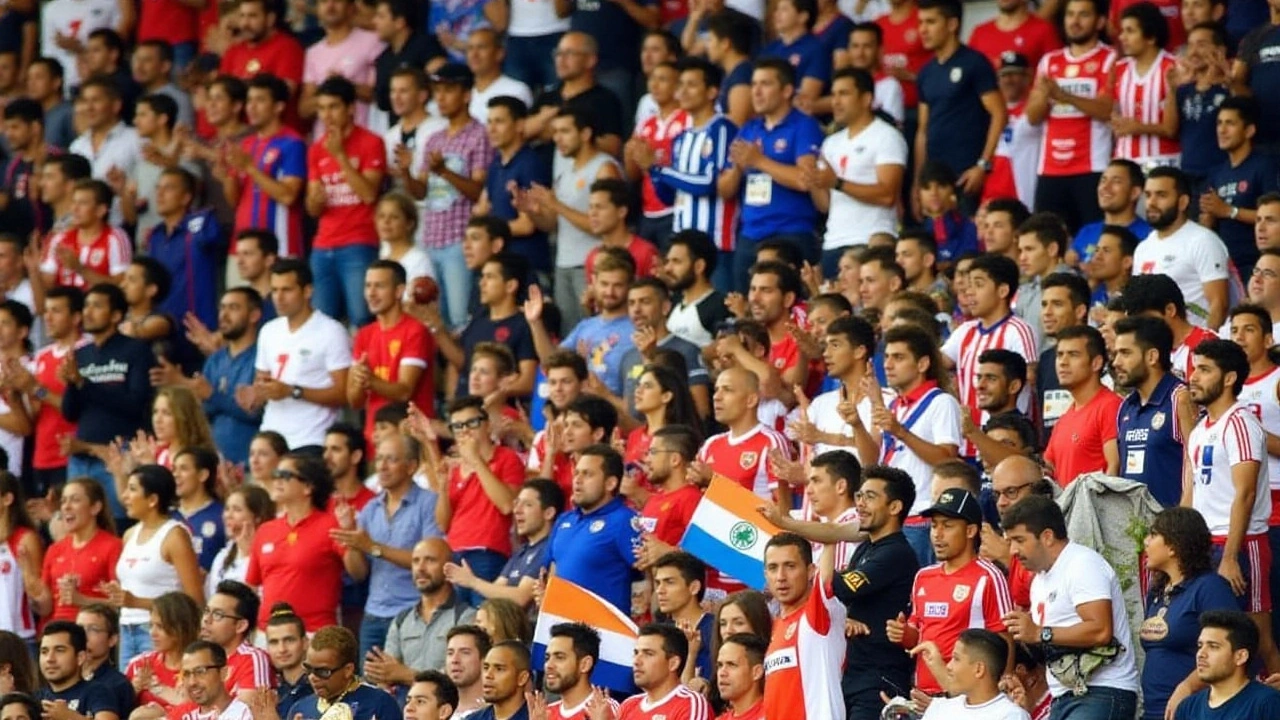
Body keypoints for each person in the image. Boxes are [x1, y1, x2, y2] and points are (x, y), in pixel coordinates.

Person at [1183, 339, 1280, 673]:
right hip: (1206, 544)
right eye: (1195, 368)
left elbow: (1246, 494)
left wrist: (1229, 557)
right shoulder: (1199, 430)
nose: (1194, 376)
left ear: (1228, 378)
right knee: (1213, 638)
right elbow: (1192, 493)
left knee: (1258, 637)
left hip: (1242, 545)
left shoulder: (1239, 422)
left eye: (1205, 369)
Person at [1002, 496, 1140, 719]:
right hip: (1064, 693)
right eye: (1010, 542)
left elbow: (1100, 630)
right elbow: (1052, 642)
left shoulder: (1082, 564)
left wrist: (1038, 632)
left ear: (1047, 536)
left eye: (1019, 540)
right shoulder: (1038, 581)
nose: (1013, 551)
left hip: (1102, 690)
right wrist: (1026, 637)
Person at [887, 489, 1012, 696]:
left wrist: (998, 694)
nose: (937, 533)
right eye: (934, 525)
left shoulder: (989, 576)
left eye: (947, 525)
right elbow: (918, 634)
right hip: (924, 694)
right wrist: (904, 634)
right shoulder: (923, 576)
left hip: (967, 698)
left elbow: (1004, 638)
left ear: (971, 530)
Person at [334, 433, 440, 661]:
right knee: (369, 692)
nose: (381, 466)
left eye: (391, 459)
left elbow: (433, 559)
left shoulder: (429, 503)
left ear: (411, 466)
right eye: (379, 459)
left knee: (409, 689)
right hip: (373, 614)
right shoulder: (371, 508)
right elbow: (358, 573)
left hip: (414, 611)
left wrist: (373, 547)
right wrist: (351, 541)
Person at [722, 58, 822, 290]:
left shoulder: (803, 125)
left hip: (791, 233)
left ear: (787, 90)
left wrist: (759, 161)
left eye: (765, 84)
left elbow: (804, 179)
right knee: (747, 312)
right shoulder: (749, 129)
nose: (755, 91)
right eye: (754, 84)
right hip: (750, 234)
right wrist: (739, 166)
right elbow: (725, 189)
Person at [520, 105, 620, 333]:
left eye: (565, 131)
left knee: (598, 330)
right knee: (572, 334)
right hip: (563, 264)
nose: (557, 138)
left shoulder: (604, 168)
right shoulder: (565, 172)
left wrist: (556, 204)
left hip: (594, 266)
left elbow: (605, 226)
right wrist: (531, 211)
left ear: (585, 134)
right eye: (555, 132)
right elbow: (554, 225)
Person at [59, 283, 154, 523]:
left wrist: (84, 383)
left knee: (120, 521)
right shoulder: (82, 354)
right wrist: (72, 384)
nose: (88, 312)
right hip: (81, 457)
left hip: (118, 455)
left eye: (97, 306)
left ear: (116, 315)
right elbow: (70, 413)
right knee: (80, 526)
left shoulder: (136, 350)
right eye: (87, 305)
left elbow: (135, 403)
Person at [1025, 0, 1117, 233]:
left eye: (1083, 15)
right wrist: (1043, 98)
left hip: (1091, 166)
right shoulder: (1050, 61)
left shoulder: (1110, 58)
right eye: (1070, 15)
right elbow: (1032, 117)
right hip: (1050, 169)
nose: (1074, 21)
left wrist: (1064, 95)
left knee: (1093, 238)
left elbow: (1107, 110)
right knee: (1047, 238)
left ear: (1100, 21)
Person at [1140, 507, 1239, 720]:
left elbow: (1233, 648)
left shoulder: (1210, 588)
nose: (1146, 541)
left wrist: (1188, 686)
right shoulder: (1157, 591)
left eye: (1154, 534)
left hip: (1196, 709)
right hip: (1154, 711)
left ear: (1174, 546)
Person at [877, 324, 964, 565]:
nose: (888, 364)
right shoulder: (896, 406)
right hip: (892, 521)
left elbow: (948, 459)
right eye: (886, 357)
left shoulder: (942, 403)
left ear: (923, 364)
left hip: (921, 520)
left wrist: (900, 432)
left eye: (898, 357)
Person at [304, 76, 385, 328]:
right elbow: (312, 208)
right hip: (323, 244)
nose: (326, 115)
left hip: (359, 242)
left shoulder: (371, 142)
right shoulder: (317, 149)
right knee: (323, 321)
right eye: (321, 108)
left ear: (351, 108)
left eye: (333, 107)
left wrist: (340, 155)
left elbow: (370, 194)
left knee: (362, 316)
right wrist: (315, 201)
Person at [811, 67, 906, 275]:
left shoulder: (886, 136)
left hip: (870, 241)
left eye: (844, 94)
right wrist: (813, 181)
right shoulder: (831, 142)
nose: (835, 101)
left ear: (866, 99)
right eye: (833, 94)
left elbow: (887, 195)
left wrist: (837, 183)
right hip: (833, 243)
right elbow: (825, 205)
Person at [913, 0, 1005, 212]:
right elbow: (922, 130)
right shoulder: (926, 72)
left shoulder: (974, 63)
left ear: (952, 24)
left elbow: (999, 114)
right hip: (935, 181)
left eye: (930, 22)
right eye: (920, 23)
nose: (923, 30)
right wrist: (919, 182)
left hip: (966, 176)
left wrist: (983, 165)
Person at [942, 253, 1037, 459]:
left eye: (978, 284)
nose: (969, 292)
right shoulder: (964, 331)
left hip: (1005, 445)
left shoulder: (1018, 330)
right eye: (968, 285)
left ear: (1002, 290)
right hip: (966, 447)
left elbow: (1030, 377)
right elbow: (934, 366)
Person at [433, 396, 525, 606]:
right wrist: (442, 487)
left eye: (471, 423)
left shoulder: (507, 458)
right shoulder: (454, 467)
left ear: (487, 425)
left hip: (488, 553)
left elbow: (506, 505)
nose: (464, 431)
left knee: (483, 623)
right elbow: (442, 523)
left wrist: (476, 460)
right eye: (457, 426)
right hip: (454, 553)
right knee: (456, 625)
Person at [252, 259, 352, 451]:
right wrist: (255, 393)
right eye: (274, 290)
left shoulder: (331, 331)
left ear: (307, 291)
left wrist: (292, 391)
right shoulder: (268, 330)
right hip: (270, 438)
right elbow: (262, 381)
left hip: (311, 439)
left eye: (287, 290)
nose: (278, 297)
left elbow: (343, 393)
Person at [246, 453, 345, 633]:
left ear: (307, 487)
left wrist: (349, 534)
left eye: (285, 475)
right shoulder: (265, 530)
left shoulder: (331, 525)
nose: (277, 480)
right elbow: (252, 585)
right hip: (267, 633)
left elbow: (359, 571)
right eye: (276, 474)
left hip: (314, 632)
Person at [545, 444, 642, 615]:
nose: (578, 480)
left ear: (610, 483)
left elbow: (646, 575)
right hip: (561, 627)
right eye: (577, 473)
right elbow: (553, 571)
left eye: (587, 474)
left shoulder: (624, 521)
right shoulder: (564, 520)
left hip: (602, 634)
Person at [222, 73, 307, 269]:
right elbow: (235, 200)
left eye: (260, 100)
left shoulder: (292, 143)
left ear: (279, 106)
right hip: (241, 248)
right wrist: (226, 175)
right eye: (249, 100)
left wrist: (251, 168)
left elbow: (288, 196)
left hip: (278, 246)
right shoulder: (246, 144)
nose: (251, 107)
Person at [366, 538, 475, 689]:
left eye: (430, 560)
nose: (421, 568)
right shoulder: (401, 620)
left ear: (449, 568)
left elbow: (462, 678)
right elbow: (389, 673)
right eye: (416, 561)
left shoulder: (466, 617)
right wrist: (380, 676)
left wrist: (406, 675)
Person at [759, 532, 846, 720]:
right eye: (773, 568)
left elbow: (830, 536)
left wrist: (785, 522)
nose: (781, 577)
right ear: (766, 574)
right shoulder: (774, 627)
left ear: (811, 571)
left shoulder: (816, 614)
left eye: (790, 566)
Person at [348, 261, 435, 448]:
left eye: (379, 286)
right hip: (375, 439)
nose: (371, 293)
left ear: (399, 291)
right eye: (368, 286)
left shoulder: (415, 331)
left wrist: (370, 381)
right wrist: (357, 380)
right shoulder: (364, 334)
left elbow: (404, 391)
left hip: (409, 441)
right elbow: (354, 401)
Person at [1113, 316, 1196, 509]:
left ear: (1152, 356)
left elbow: (1197, 463)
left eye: (1125, 353)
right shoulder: (1126, 406)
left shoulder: (1180, 398)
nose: (1116, 362)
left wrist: (1183, 517)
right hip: (1134, 530)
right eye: (1116, 353)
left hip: (1173, 527)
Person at [1133, 167, 1230, 330]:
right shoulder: (1142, 248)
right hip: (1154, 347)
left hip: (1193, 346)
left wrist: (1202, 349)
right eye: (1148, 195)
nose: (1151, 202)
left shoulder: (1202, 240)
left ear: (1183, 202)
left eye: (1161, 195)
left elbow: (1219, 304)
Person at [1201, 96, 1277, 278]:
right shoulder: (1216, 173)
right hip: (1223, 266)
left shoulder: (1265, 166)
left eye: (1230, 123)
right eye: (1219, 123)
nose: (1222, 130)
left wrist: (1229, 211)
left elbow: (1275, 215)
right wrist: (1207, 220)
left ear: (1249, 130)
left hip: (1257, 264)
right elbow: (1210, 218)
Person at [1042, 326, 1122, 485]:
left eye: (1073, 355)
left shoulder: (1110, 406)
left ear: (1096, 363)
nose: (1063, 362)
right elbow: (1048, 469)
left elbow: (1115, 468)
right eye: (1059, 355)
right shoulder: (1063, 420)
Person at [1172, 610, 1280, 718]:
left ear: (1241, 656)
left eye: (1213, 646)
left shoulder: (1267, 704)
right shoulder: (1188, 707)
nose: (1201, 654)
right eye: (1200, 646)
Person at [278, 626, 400, 720]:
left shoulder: (379, 703)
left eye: (323, 672)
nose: (313, 677)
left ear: (348, 670)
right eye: (309, 669)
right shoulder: (300, 709)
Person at [914, 629, 1029, 719]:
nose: (948, 666)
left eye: (956, 659)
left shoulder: (1011, 716)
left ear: (979, 669)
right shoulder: (939, 707)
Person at [39, 179, 131, 290]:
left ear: (100, 210)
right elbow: (47, 285)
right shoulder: (60, 239)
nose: (74, 209)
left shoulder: (115, 238)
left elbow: (121, 286)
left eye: (83, 203)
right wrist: (34, 270)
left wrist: (80, 269)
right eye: (73, 202)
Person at [219, 0, 304, 106]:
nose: (245, 23)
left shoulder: (288, 47)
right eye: (242, 16)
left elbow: (284, 93)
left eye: (252, 16)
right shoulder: (233, 51)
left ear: (270, 19)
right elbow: (222, 92)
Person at [1069, 159, 1152, 268]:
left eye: (1116, 181)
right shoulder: (1087, 231)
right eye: (1103, 181)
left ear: (1134, 192)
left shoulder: (1149, 236)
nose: (1105, 187)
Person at [615, 624, 709, 720]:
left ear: (673, 663)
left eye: (648, 654)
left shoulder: (690, 703)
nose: (636, 661)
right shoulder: (628, 706)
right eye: (636, 653)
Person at [34, 621, 118, 720]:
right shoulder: (35, 699)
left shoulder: (98, 693)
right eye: (44, 652)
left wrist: (70, 717)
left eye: (59, 650)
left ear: (80, 657)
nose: (49, 659)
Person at [663, 230, 732, 347]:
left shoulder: (721, 306)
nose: (667, 268)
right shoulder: (673, 303)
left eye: (676, 262)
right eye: (667, 261)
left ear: (699, 266)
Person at [206, 486, 275, 598]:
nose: (228, 515)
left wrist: (246, 555)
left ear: (257, 517)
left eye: (237, 510)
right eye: (227, 509)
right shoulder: (223, 555)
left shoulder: (269, 552)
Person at [540, 623, 613, 720]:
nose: (549, 665)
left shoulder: (607, 711)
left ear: (585, 664)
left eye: (560, 657)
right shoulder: (546, 714)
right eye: (547, 658)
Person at [173, 641, 254, 720]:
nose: (192, 682)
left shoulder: (244, 714)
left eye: (200, 671)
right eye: (186, 674)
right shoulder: (185, 717)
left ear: (223, 673)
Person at [714, 633, 765, 720]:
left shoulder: (775, 714)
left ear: (757, 672)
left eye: (731, 665)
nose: (722, 673)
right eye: (720, 665)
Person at [444, 625, 490, 715]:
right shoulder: (434, 711)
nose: (455, 660)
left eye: (465, 652)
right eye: (450, 653)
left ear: (484, 660)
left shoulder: (497, 711)